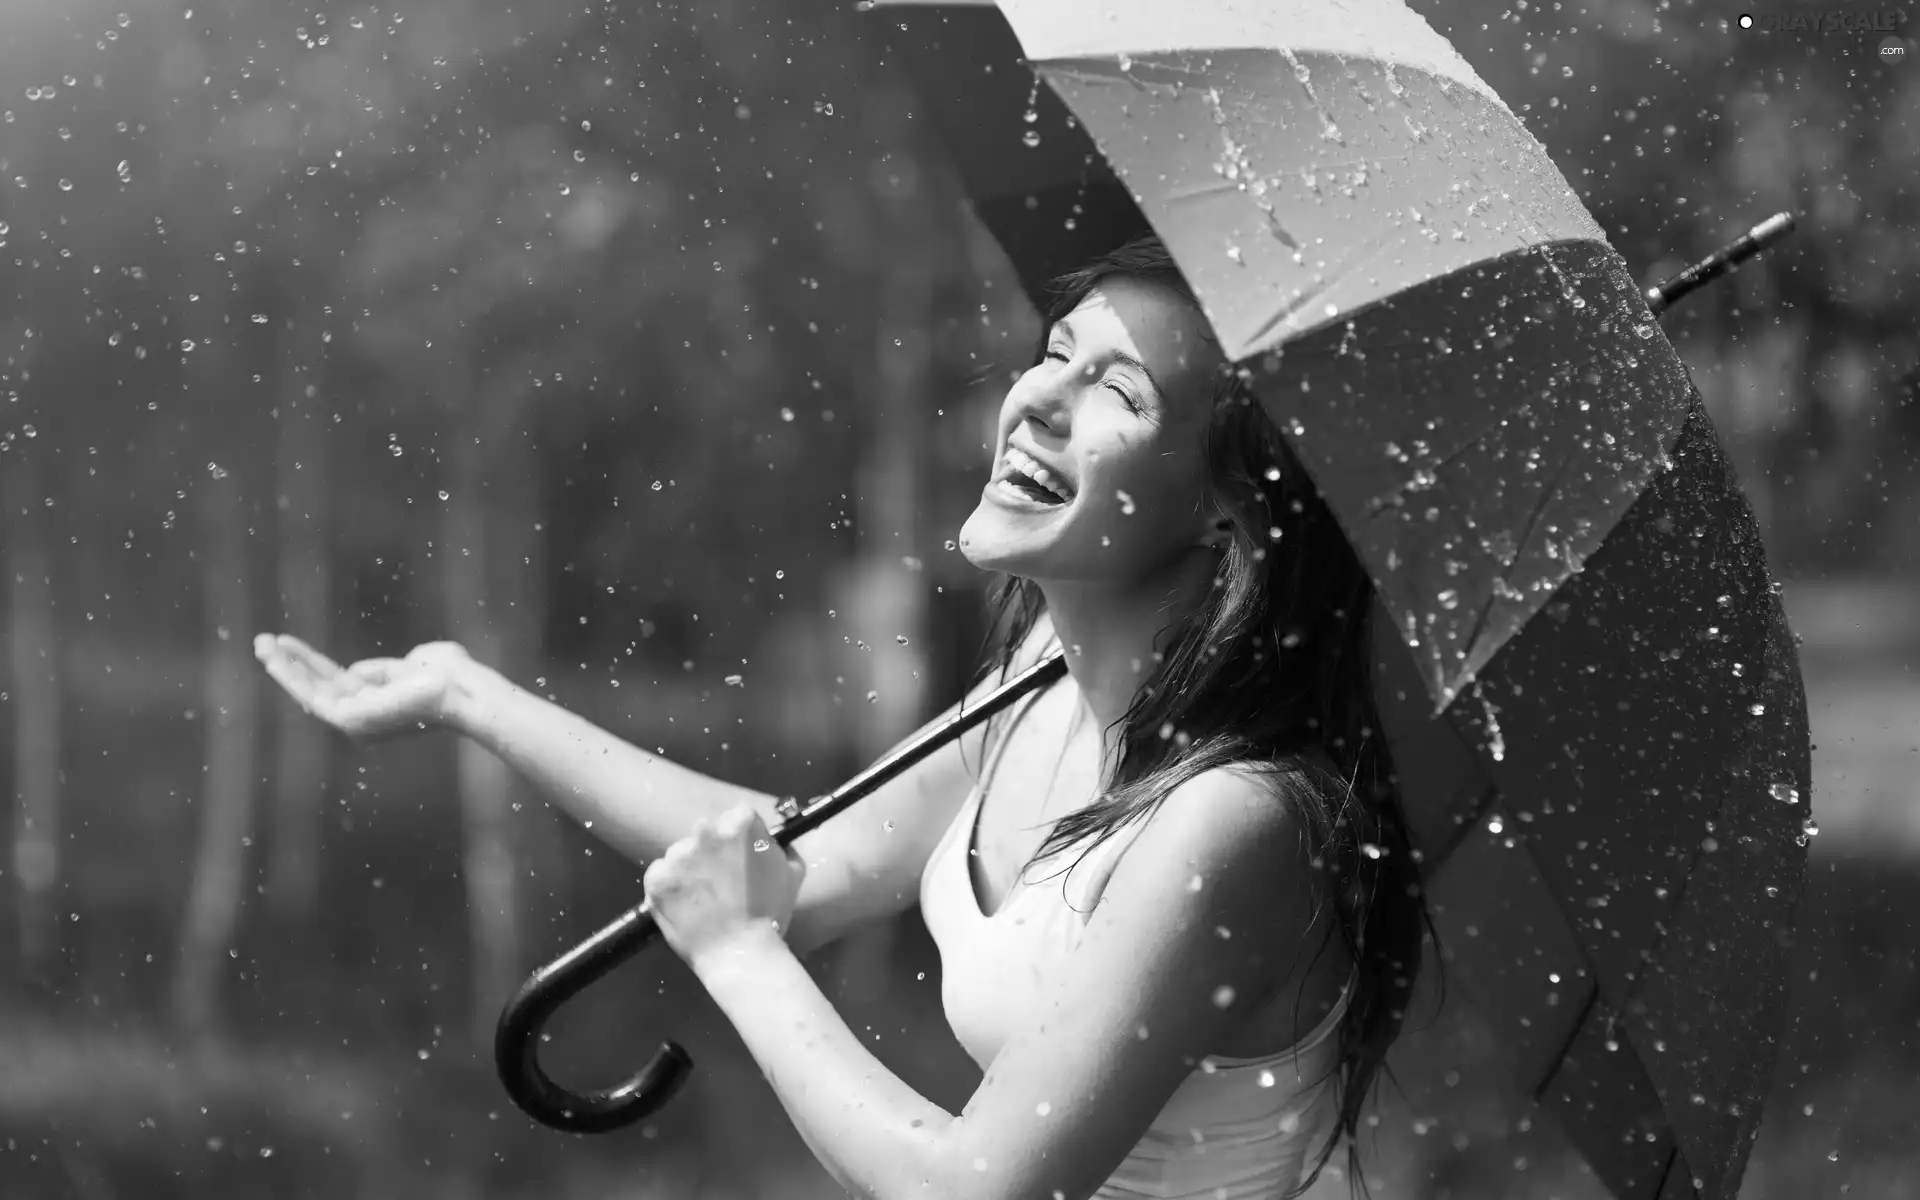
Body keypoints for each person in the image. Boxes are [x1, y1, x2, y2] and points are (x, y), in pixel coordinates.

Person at [257, 234, 1431, 1200]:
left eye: (1119, 392)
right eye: (1057, 354)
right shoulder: (1042, 684)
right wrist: (471, 695)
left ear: (1227, 509)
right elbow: (804, 863)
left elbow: (979, 1187)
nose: (1039, 404)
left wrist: (735, 948)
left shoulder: (1230, 822)